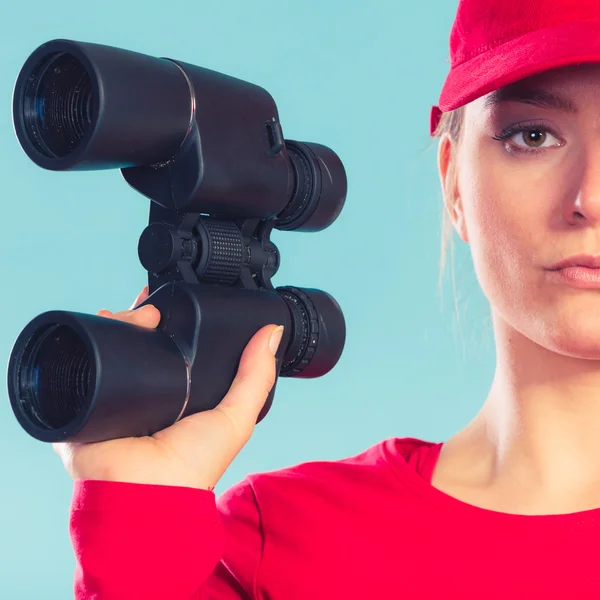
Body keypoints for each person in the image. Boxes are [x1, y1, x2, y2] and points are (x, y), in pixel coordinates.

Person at [56, 0, 600, 597]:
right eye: (533, 135)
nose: (589, 198)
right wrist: (140, 537)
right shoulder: (283, 544)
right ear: (453, 183)